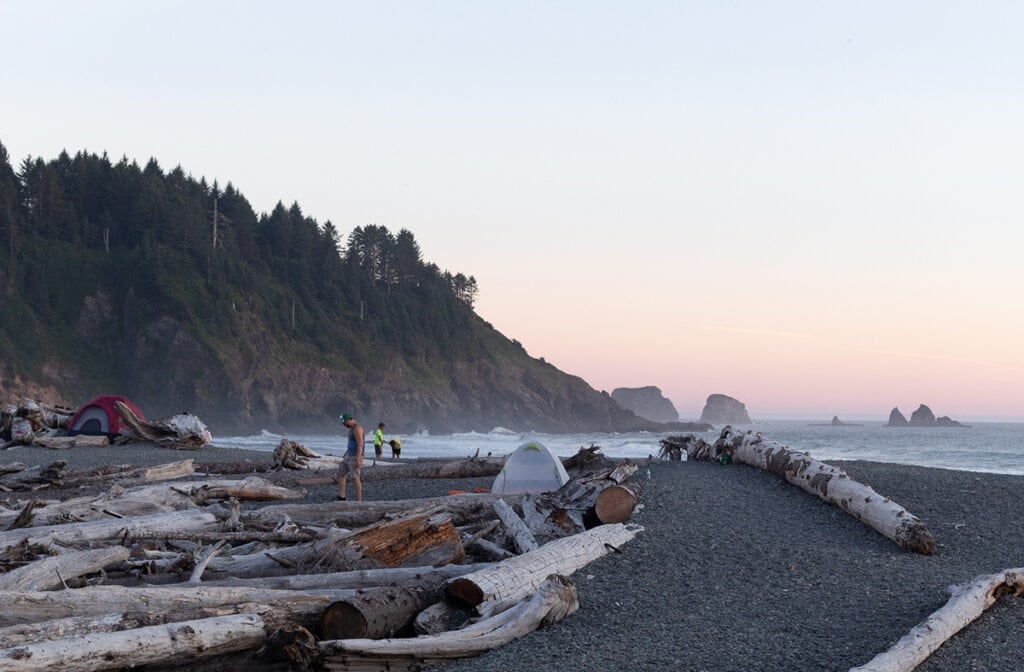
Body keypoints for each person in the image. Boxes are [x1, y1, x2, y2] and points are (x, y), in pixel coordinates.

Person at [336, 413, 364, 501]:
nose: (344, 425)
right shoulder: (351, 429)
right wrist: (346, 453)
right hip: (349, 455)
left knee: (355, 477)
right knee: (340, 473)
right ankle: (342, 496)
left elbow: (360, 444)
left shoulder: (357, 428)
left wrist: (358, 458)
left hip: (355, 455)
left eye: (344, 423)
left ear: (349, 419)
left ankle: (359, 501)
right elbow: (351, 443)